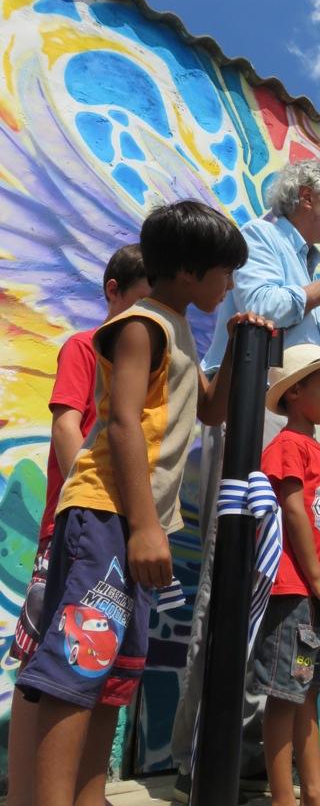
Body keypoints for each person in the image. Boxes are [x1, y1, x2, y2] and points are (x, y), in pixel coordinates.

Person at [17, 200, 271, 806]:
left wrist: (236, 345)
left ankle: (89, 795)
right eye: (224, 272)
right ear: (189, 270)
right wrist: (146, 525)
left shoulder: (180, 329)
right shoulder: (141, 325)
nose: (230, 284)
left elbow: (210, 410)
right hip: (108, 511)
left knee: (114, 670)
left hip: (131, 519)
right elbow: (124, 424)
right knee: (82, 658)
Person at [172, 161, 320, 801]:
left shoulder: (307, 257)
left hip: (292, 426)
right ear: (303, 196)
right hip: (254, 409)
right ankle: (204, 753)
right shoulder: (261, 237)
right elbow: (259, 310)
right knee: (235, 578)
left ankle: (258, 756)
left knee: (285, 610)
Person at [7, 245, 149, 806]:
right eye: (140, 302)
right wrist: (82, 506)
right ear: (113, 290)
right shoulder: (86, 347)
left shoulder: (148, 369)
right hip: (78, 527)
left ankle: (91, 793)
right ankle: (24, 792)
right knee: (47, 660)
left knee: (109, 664)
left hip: (121, 533)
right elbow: (69, 426)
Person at [253, 344, 320, 806]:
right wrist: (316, 579)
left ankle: (314, 791)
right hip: (295, 591)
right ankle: (283, 797)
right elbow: (293, 511)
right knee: (284, 694)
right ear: (295, 392)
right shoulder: (285, 447)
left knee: (311, 691)